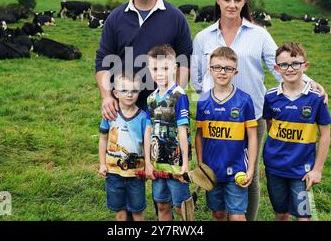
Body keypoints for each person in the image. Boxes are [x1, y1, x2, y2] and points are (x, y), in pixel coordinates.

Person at [191, 0, 328, 221]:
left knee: (248, 174)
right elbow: (197, 77)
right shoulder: (203, 37)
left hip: (252, 115)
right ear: (217, 0)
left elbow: (281, 68)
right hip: (215, 117)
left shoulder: (259, 34)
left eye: (238, 0)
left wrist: (310, 84)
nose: (232, 5)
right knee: (215, 172)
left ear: (244, 2)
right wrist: (206, 100)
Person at [95, 0, 192, 121]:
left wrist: (173, 97)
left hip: (163, 108)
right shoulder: (115, 18)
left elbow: (185, 60)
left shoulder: (176, 17)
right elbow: (103, 59)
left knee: (159, 147)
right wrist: (107, 96)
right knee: (124, 148)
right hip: (123, 107)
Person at [262, 42, 331, 221]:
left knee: (304, 215)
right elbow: (271, 126)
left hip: (302, 170)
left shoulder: (316, 99)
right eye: (284, 65)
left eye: (295, 64)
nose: (290, 68)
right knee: (281, 213)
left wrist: (317, 169)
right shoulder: (270, 97)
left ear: (305, 66)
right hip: (274, 167)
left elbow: (325, 134)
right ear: (277, 68)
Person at [195, 47, 258, 221]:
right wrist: (201, 164)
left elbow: (252, 136)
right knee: (218, 213)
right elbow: (199, 135)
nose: (222, 72)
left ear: (235, 72)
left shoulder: (244, 100)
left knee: (237, 216)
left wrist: (251, 168)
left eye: (228, 68)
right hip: (212, 170)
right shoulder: (203, 102)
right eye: (217, 67)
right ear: (210, 69)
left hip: (236, 170)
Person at [143, 44, 191, 221]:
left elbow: (182, 131)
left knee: (181, 208)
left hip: (176, 164)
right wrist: (147, 162)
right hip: (156, 164)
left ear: (174, 68)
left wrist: (185, 164)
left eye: (164, 68)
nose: (160, 73)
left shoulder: (179, 96)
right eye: (155, 69)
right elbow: (148, 132)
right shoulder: (151, 98)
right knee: (162, 204)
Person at [98, 72, 147, 221]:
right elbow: (103, 138)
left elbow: (146, 144)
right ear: (116, 93)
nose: (129, 94)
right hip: (113, 173)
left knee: (138, 211)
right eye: (124, 90)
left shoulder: (143, 117)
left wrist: (147, 166)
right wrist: (102, 164)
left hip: (136, 175)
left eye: (134, 91)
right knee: (120, 213)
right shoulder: (110, 115)